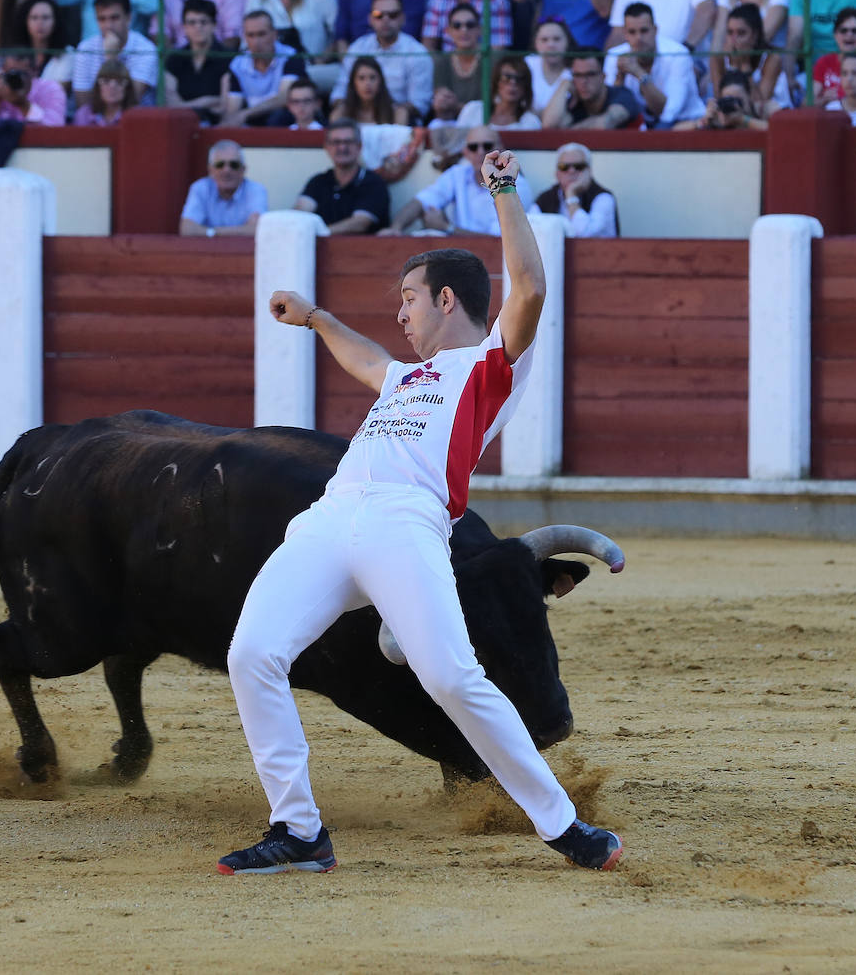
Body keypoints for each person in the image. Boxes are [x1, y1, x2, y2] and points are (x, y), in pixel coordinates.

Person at [224, 155, 623, 873]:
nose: (398, 312)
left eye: (407, 298)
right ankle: (300, 829)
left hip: (406, 522)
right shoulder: (407, 378)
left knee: (450, 678)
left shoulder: (491, 363)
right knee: (252, 653)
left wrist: (503, 191)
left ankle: (563, 825)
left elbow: (529, 285)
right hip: (330, 516)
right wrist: (315, 318)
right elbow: (369, 360)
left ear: (445, 299)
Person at [384, 128, 537, 234]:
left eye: (487, 146)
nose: (480, 152)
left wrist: (447, 228)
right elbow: (421, 201)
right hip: (462, 255)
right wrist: (396, 228)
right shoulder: (458, 174)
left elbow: (499, 240)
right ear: (466, 152)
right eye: (473, 147)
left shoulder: (515, 185)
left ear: (501, 148)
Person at [331, 0, 433, 119]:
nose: (385, 20)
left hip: (397, 120)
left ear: (403, 18)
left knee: (401, 114)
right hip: (357, 119)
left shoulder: (417, 53)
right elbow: (339, 93)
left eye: (393, 15)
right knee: (337, 114)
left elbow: (419, 104)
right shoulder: (358, 48)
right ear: (370, 19)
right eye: (378, 15)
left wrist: (388, 111)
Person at [602, 0, 704, 126]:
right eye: (632, 32)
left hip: (684, 124)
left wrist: (639, 73)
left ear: (655, 30)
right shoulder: (614, 56)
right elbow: (609, 110)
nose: (638, 38)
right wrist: (620, 79)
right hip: (641, 127)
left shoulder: (677, 55)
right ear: (625, 34)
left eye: (644, 31)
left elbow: (668, 113)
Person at [293, 119, 391, 233]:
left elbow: (360, 223)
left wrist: (321, 233)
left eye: (348, 142)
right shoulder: (318, 181)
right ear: (327, 147)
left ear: (359, 146)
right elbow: (299, 214)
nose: (342, 148)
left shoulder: (374, 183)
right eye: (336, 142)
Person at [72, 0, 157, 110]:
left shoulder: (146, 49)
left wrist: (110, 59)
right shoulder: (85, 48)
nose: (108, 26)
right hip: (96, 123)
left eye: (114, 18)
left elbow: (131, 101)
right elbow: (83, 105)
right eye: (102, 19)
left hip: (136, 123)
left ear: (128, 18)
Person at [220, 9, 307, 127]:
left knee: (279, 116)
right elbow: (233, 108)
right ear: (245, 37)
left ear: (274, 34)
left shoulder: (290, 57)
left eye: (261, 34)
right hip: (252, 122)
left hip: (286, 122)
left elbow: (283, 99)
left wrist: (245, 114)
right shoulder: (237, 65)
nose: (256, 42)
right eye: (251, 35)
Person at [712, 1, 790, 113]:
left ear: (755, 36)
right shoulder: (718, 59)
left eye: (741, 33)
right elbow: (720, 98)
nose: (734, 39)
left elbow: (760, 103)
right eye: (730, 32)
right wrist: (734, 66)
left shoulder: (772, 59)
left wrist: (744, 66)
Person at [179, 139, 268, 235]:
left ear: (243, 170)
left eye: (234, 165)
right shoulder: (200, 188)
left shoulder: (256, 190)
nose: (226, 170)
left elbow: (256, 229)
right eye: (220, 165)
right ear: (210, 169)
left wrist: (210, 232)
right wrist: (239, 231)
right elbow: (187, 229)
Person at [529, 143, 618, 237]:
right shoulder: (545, 198)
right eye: (564, 167)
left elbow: (586, 233)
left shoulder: (603, 198)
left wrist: (571, 196)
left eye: (579, 166)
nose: (571, 171)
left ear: (589, 171)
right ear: (556, 173)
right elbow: (529, 229)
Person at [163, 0, 228, 124]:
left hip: (218, 125)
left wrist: (184, 105)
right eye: (192, 23)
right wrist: (207, 101)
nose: (198, 27)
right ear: (184, 27)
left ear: (214, 25)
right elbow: (170, 103)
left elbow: (224, 105)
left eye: (203, 22)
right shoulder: (174, 59)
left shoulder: (228, 57)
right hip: (180, 124)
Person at [541, 48, 641, 128]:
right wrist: (564, 85)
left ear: (603, 76)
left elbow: (605, 124)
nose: (584, 81)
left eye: (590, 74)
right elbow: (548, 126)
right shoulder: (573, 103)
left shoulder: (621, 95)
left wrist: (568, 132)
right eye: (578, 75)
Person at [430, 0, 486, 121]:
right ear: (448, 31)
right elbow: (441, 112)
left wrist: (456, 106)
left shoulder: (491, 59)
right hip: (452, 121)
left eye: (470, 25)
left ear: (479, 29)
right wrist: (442, 104)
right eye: (457, 25)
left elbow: (494, 106)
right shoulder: (442, 61)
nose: (464, 30)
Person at [455, 57, 542, 130]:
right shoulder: (472, 110)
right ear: (496, 81)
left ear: (526, 86)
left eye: (519, 79)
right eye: (506, 77)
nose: (513, 83)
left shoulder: (530, 122)